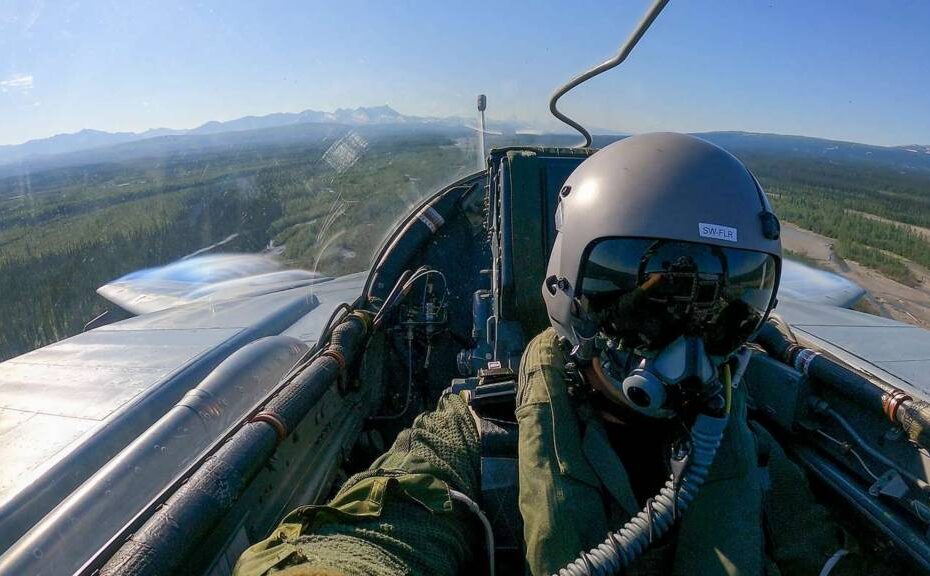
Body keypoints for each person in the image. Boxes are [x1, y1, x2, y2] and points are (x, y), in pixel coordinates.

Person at [234, 133, 857, 576]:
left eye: (723, 311)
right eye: (648, 304)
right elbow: (376, 531)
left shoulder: (756, 458)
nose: (685, 347)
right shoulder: (479, 438)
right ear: (572, 296)